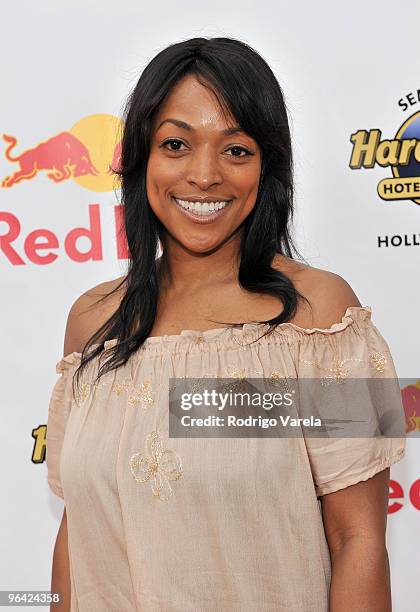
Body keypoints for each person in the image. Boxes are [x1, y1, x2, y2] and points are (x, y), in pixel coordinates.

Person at [46, 37, 406, 611]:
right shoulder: (93, 322)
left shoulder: (324, 315)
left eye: (236, 150)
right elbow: (77, 538)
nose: (205, 175)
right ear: (142, 157)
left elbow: (357, 538)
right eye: (176, 144)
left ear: (268, 166)